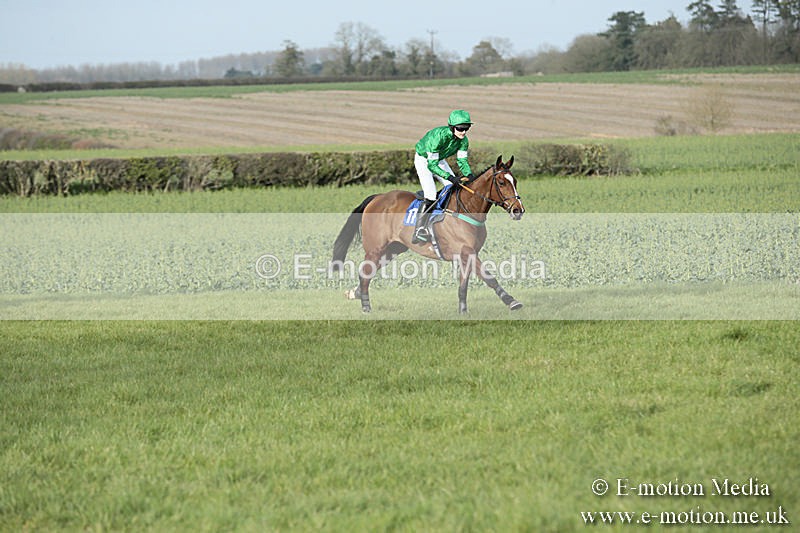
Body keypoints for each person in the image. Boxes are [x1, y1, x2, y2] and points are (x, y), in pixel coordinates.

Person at [412, 109, 475, 243]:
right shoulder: (438, 137)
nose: (463, 132)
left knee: (452, 187)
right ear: (452, 127)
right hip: (424, 160)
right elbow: (431, 165)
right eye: (460, 128)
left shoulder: (463, 141)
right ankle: (419, 229)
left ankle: (445, 218)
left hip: (439, 159)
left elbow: (462, 161)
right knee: (431, 194)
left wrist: (469, 174)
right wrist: (450, 177)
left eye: (466, 128)